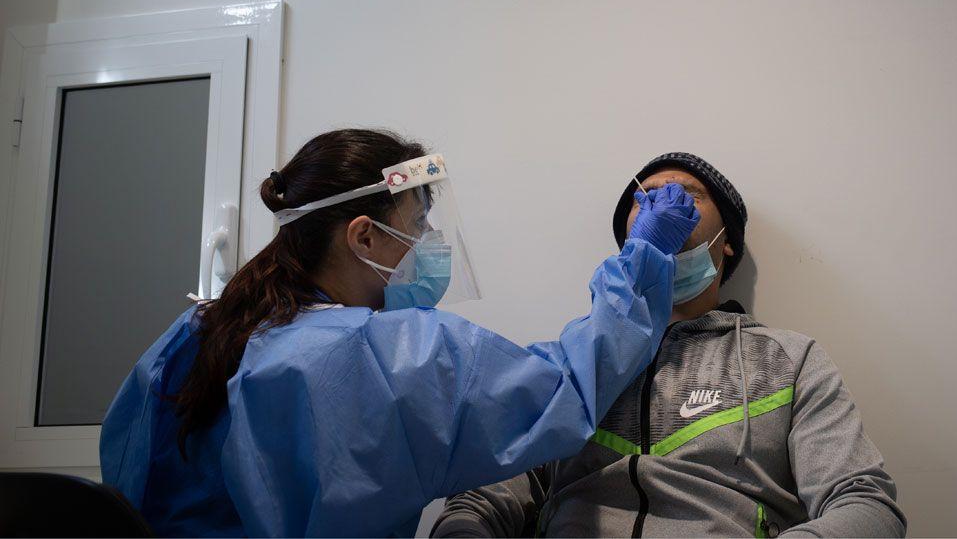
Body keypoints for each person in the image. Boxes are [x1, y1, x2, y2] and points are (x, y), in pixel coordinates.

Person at [99, 129, 700, 537]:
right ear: (362, 236)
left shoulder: (195, 331)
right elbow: (561, 390)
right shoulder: (380, 357)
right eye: (417, 225)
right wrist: (643, 260)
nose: (430, 244)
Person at [432, 152, 906, 538]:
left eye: (688, 195)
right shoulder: (576, 360)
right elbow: (485, 494)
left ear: (726, 243)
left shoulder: (788, 360)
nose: (664, 204)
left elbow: (865, 504)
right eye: (646, 199)